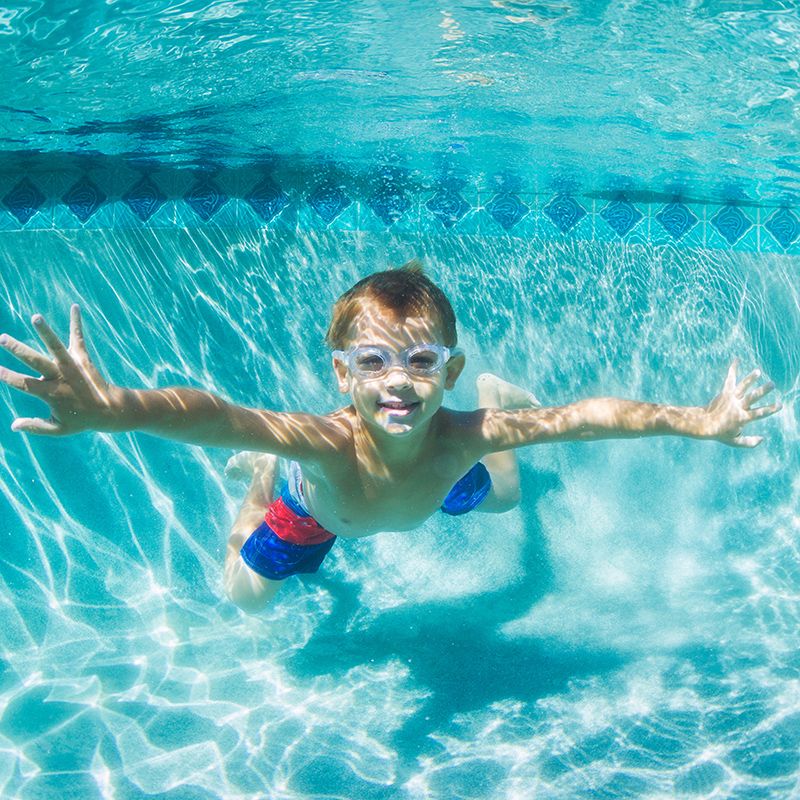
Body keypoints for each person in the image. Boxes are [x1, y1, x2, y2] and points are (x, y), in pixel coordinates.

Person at [0, 260, 781, 613]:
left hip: (437, 483)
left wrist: (698, 421)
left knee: (508, 498)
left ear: (450, 370)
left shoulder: (461, 436)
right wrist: (114, 408)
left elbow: (585, 415)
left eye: (419, 361)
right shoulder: (327, 442)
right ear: (343, 375)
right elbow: (212, 413)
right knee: (245, 599)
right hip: (319, 511)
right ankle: (256, 482)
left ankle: (495, 391)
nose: (397, 380)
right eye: (372, 361)